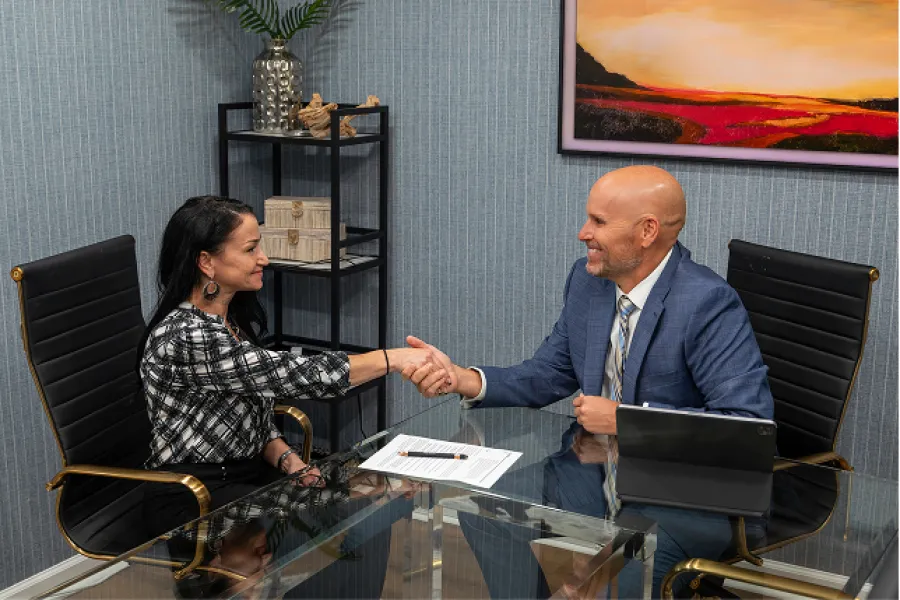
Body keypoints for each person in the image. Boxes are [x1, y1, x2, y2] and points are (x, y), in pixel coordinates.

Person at [402, 165, 775, 597]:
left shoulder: (707, 303)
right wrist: (463, 379)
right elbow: (550, 372)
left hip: (690, 495)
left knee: (634, 570)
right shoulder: (589, 281)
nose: (583, 233)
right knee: (486, 510)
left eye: (598, 221)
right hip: (596, 470)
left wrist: (626, 420)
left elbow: (746, 427)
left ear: (647, 231)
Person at [140, 195, 445, 537]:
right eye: (250, 249)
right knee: (354, 507)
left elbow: (246, 411)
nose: (263, 259)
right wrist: (394, 359)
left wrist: (288, 458)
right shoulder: (186, 337)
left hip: (246, 474)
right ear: (207, 263)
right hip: (196, 495)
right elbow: (298, 376)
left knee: (376, 493)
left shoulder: (227, 323)